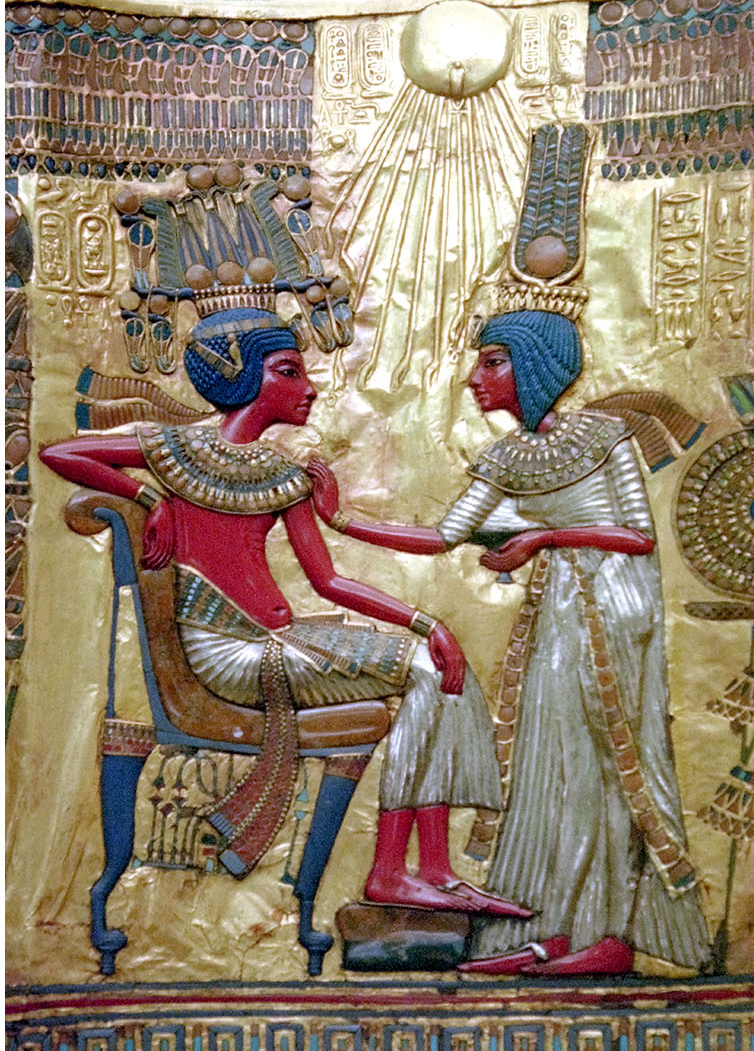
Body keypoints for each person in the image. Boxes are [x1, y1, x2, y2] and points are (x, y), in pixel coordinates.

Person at [40, 306, 530, 919]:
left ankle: (427, 870)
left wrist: (426, 624)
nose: (310, 388)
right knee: (433, 674)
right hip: (229, 655)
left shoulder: (283, 475)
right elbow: (62, 453)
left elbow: (328, 582)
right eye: (288, 372)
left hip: (272, 640)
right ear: (244, 376)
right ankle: (398, 872)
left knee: (437, 666)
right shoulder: (173, 448)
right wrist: (145, 495)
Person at [309, 308, 712, 975]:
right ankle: (556, 929)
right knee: (548, 764)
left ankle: (611, 935)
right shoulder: (508, 456)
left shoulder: (605, 436)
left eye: (492, 361)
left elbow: (638, 536)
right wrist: (342, 520)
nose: (475, 378)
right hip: (558, 606)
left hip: (613, 604)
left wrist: (544, 537)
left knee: (606, 765)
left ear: (535, 366)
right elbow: (441, 536)